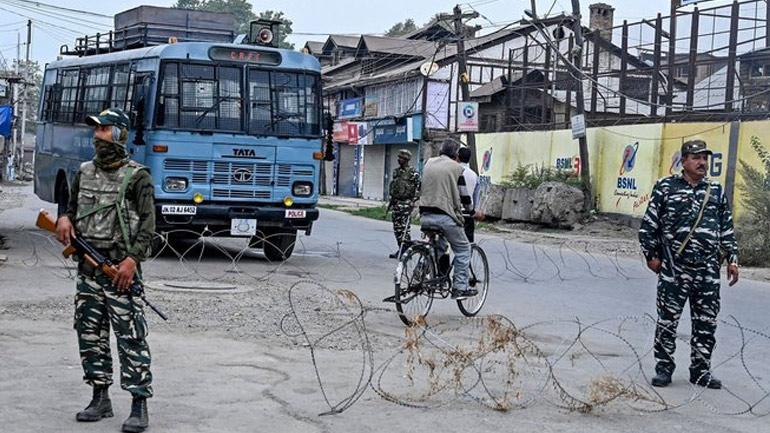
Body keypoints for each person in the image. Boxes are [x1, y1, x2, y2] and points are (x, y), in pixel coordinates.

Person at [56, 108, 156, 433]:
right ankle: (100, 398)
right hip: (88, 270)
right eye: (97, 131)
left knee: (131, 338)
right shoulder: (83, 172)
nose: (97, 136)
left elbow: (148, 226)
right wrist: (64, 219)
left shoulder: (137, 176)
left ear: (121, 134)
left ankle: (138, 404)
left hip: (120, 271)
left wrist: (132, 261)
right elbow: (70, 210)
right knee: (90, 334)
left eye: (105, 129)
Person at [639, 139, 739, 390]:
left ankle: (701, 370)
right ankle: (664, 369)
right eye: (696, 158)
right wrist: (652, 255)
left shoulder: (715, 191)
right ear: (683, 161)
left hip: (707, 270)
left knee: (706, 322)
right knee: (668, 322)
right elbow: (649, 226)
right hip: (675, 268)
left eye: (704, 158)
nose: (702, 162)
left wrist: (732, 260)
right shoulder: (666, 187)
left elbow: (726, 228)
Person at [418, 138, 475, 299]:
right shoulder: (456, 168)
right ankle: (459, 287)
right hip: (446, 217)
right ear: (456, 154)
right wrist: (471, 211)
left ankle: (429, 273)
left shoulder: (429, 163)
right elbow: (465, 196)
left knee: (440, 246)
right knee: (463, 250)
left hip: (425, 216)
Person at [387, 149, 420, 258]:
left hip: (406, 204)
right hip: (396, 203)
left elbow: (419, 187)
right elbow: (394, 186)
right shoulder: (396, 172)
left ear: (406, 159)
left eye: (401, 158)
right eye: (398, 157)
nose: (398, 159)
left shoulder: (413, 172)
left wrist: (413, 200)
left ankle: (406, 250)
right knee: (397, 229)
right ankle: (400, 249)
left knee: (405, 229)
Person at [457, 146, 480, 243]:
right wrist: (474, 211)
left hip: (453, 212)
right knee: (468, 245)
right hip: (467, 213)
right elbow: (476, 196)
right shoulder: (474, 175)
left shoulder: (453, 171)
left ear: (457, 157)